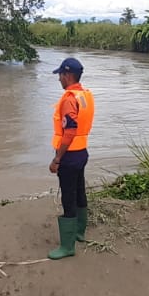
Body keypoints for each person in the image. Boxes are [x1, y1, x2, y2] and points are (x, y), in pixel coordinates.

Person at [48, 57, 95, 260]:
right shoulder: (84, 95)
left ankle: (67, 246)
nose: (59, 79)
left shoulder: (68, 100)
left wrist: (57, 159)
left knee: (68, 196)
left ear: (67, 75)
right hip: (82, 152)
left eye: (60, 75)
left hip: (69, 156)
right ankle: (79, 232)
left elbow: (69, 131)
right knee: (79, 191)